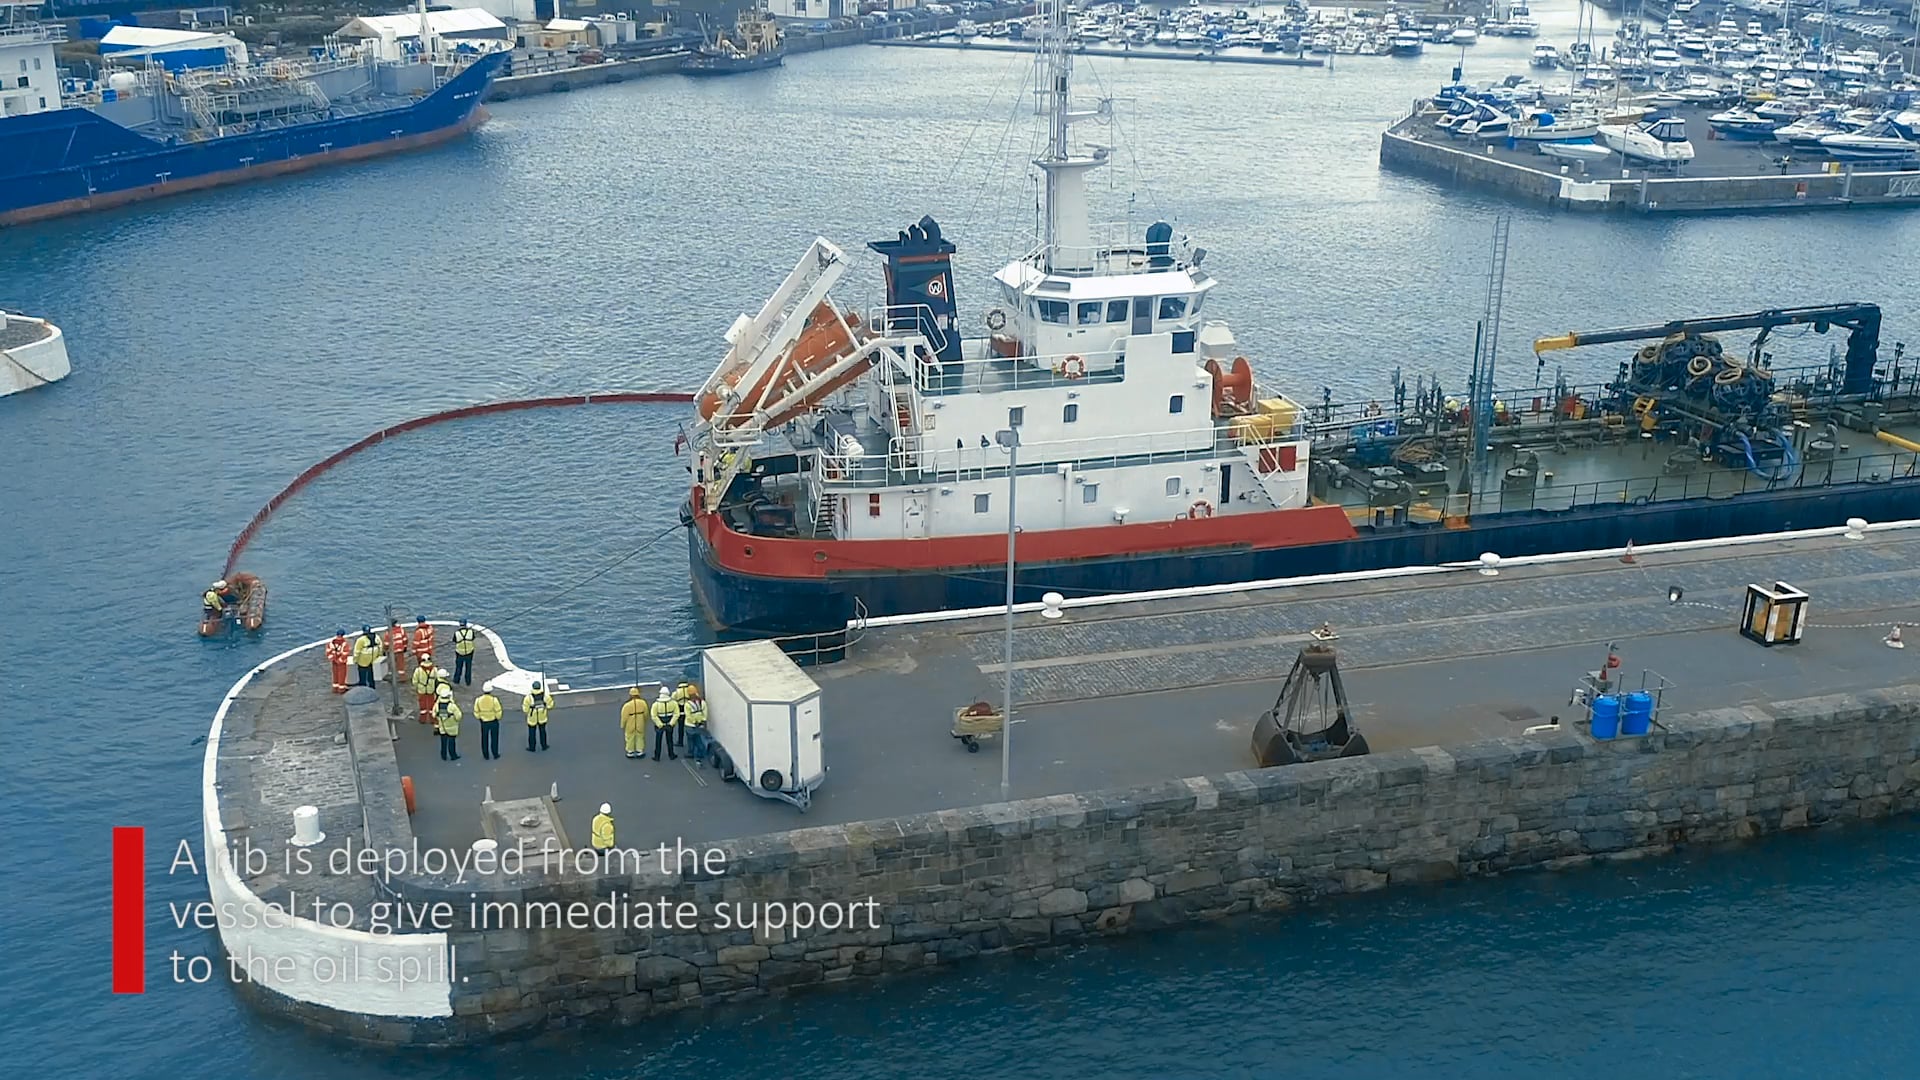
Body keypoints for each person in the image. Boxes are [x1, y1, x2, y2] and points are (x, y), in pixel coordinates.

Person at [474, 682, 503, 760]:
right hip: (493, 721)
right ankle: (495, 753)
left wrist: (480, 717)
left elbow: (476, 711)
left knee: (484, 738)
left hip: (484, 721)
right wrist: (497, 717)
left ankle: (485, 755)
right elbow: (498, 711)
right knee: (494, 738)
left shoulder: (478, 700)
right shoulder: (494, 700)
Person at [433, 685, 462, 761]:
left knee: (443, 742)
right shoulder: (452, 706)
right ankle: (453, 755)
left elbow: (433, 714)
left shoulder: (437, 705)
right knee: (452, 742)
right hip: (452, 726)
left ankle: (443, 755)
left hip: (442, 726)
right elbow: (458, 716)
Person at [649, 687, 679, 762]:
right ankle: (671, 754)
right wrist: (671, 723)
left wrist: (660, 724)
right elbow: (676, 714)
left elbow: (654, 716)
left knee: (658, 741)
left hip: (660, 724)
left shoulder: (656, 704)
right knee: (670, 740)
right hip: (669, 723)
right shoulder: (673, 703)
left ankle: (657, 756)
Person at [523, 680, 554, 752]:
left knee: (532, 733)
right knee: (543, 732)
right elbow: (550, 705)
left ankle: (532, 747)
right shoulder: (545, 696)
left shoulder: (528, 698)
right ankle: (544, 746)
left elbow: (525, 709)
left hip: (532, 718)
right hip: (542, 717)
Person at [619, 687, 649, 760]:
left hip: (630, 724)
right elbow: (646, 713)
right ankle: (640, 751)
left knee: (630, 737)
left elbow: (624, 717)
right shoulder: (643, 703)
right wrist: (645, 720)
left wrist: (622, 725)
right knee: (640, 736)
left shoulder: (627, 705)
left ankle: (630, 752)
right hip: (640, 722)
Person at [672, 680, 702, 750]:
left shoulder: (677, 692)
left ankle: (680, 741)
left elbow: (673, 700)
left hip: (681, 710)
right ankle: (694, 743)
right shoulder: (689, 690)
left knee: (681, 727)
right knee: (690, 726)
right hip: (690, 709)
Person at [683, 691, 710, 764]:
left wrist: (694, 722)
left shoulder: (687, 704)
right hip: (699, 724)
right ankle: (700, 753)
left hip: (690, 725)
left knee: (691, 739)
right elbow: (705, 713)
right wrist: (702, 721)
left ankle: (691, 753)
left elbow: (688, 716)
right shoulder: (702, 703)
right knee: (698, 739)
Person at [410, 654, 437, 724]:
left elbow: (414, 681)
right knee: (432, 704)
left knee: (422, 705)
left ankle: (423, 719)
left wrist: (418, 687)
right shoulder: (434, 669)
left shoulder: (418, 670)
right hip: (431, 689)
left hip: (421, 690)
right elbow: (437, 679)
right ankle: (432, 719)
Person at [325, 629, 352, 694]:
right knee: (342, 675)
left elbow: (328, 652)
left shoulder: (331, 643)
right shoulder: (344, 644)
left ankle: (335, 688)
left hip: (334, 661)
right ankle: (341, 689)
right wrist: (339, 660)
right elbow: (345, 653)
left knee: (335, 675)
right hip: (341, 662)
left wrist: (332, 659)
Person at [451, 619, 477, 686]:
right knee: (468, 667)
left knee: (458, 667)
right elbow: (473, 638)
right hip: (469, 652)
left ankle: (456, 680)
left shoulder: (457, 633)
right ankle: (468, 681)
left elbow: (454, 640)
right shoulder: (471, 632)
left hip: (459, 652)